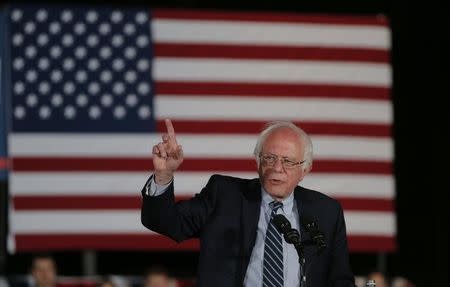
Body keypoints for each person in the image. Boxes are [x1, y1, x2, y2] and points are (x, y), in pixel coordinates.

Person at [141, 119, 355, 287]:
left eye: (288, 161)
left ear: (305, 170)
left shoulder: (326, 212)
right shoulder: (224, 196)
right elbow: (166, 222)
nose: (277, 168)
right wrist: (163, 174)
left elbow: (340, 280)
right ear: (257, 162)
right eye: (269, 158)